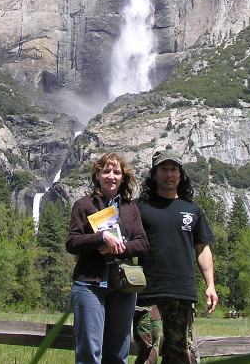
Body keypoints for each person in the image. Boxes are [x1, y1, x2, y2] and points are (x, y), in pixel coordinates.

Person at [135, 150, 218, 363]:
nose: (169, 174)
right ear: (154, 174)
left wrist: (210, 285)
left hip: (182, 293)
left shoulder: (192, 209)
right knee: (148, 353)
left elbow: (202, 248)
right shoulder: (139, 207)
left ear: (180, 175)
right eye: (164, 169)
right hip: (147, 292)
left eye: (173, 170)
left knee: (180, 353)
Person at [66, 152, 149, 364]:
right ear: (98, 176)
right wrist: (100, 238)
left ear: (123, 177)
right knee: (89, 353)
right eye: (106, 171)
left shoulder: (131, 208)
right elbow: (72, 243)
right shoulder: (84, 205)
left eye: (116, 172)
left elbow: (142, 244)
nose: (111, 176)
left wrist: (119, 248)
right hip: (89, 285)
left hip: (123, 287)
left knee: (118, 355)